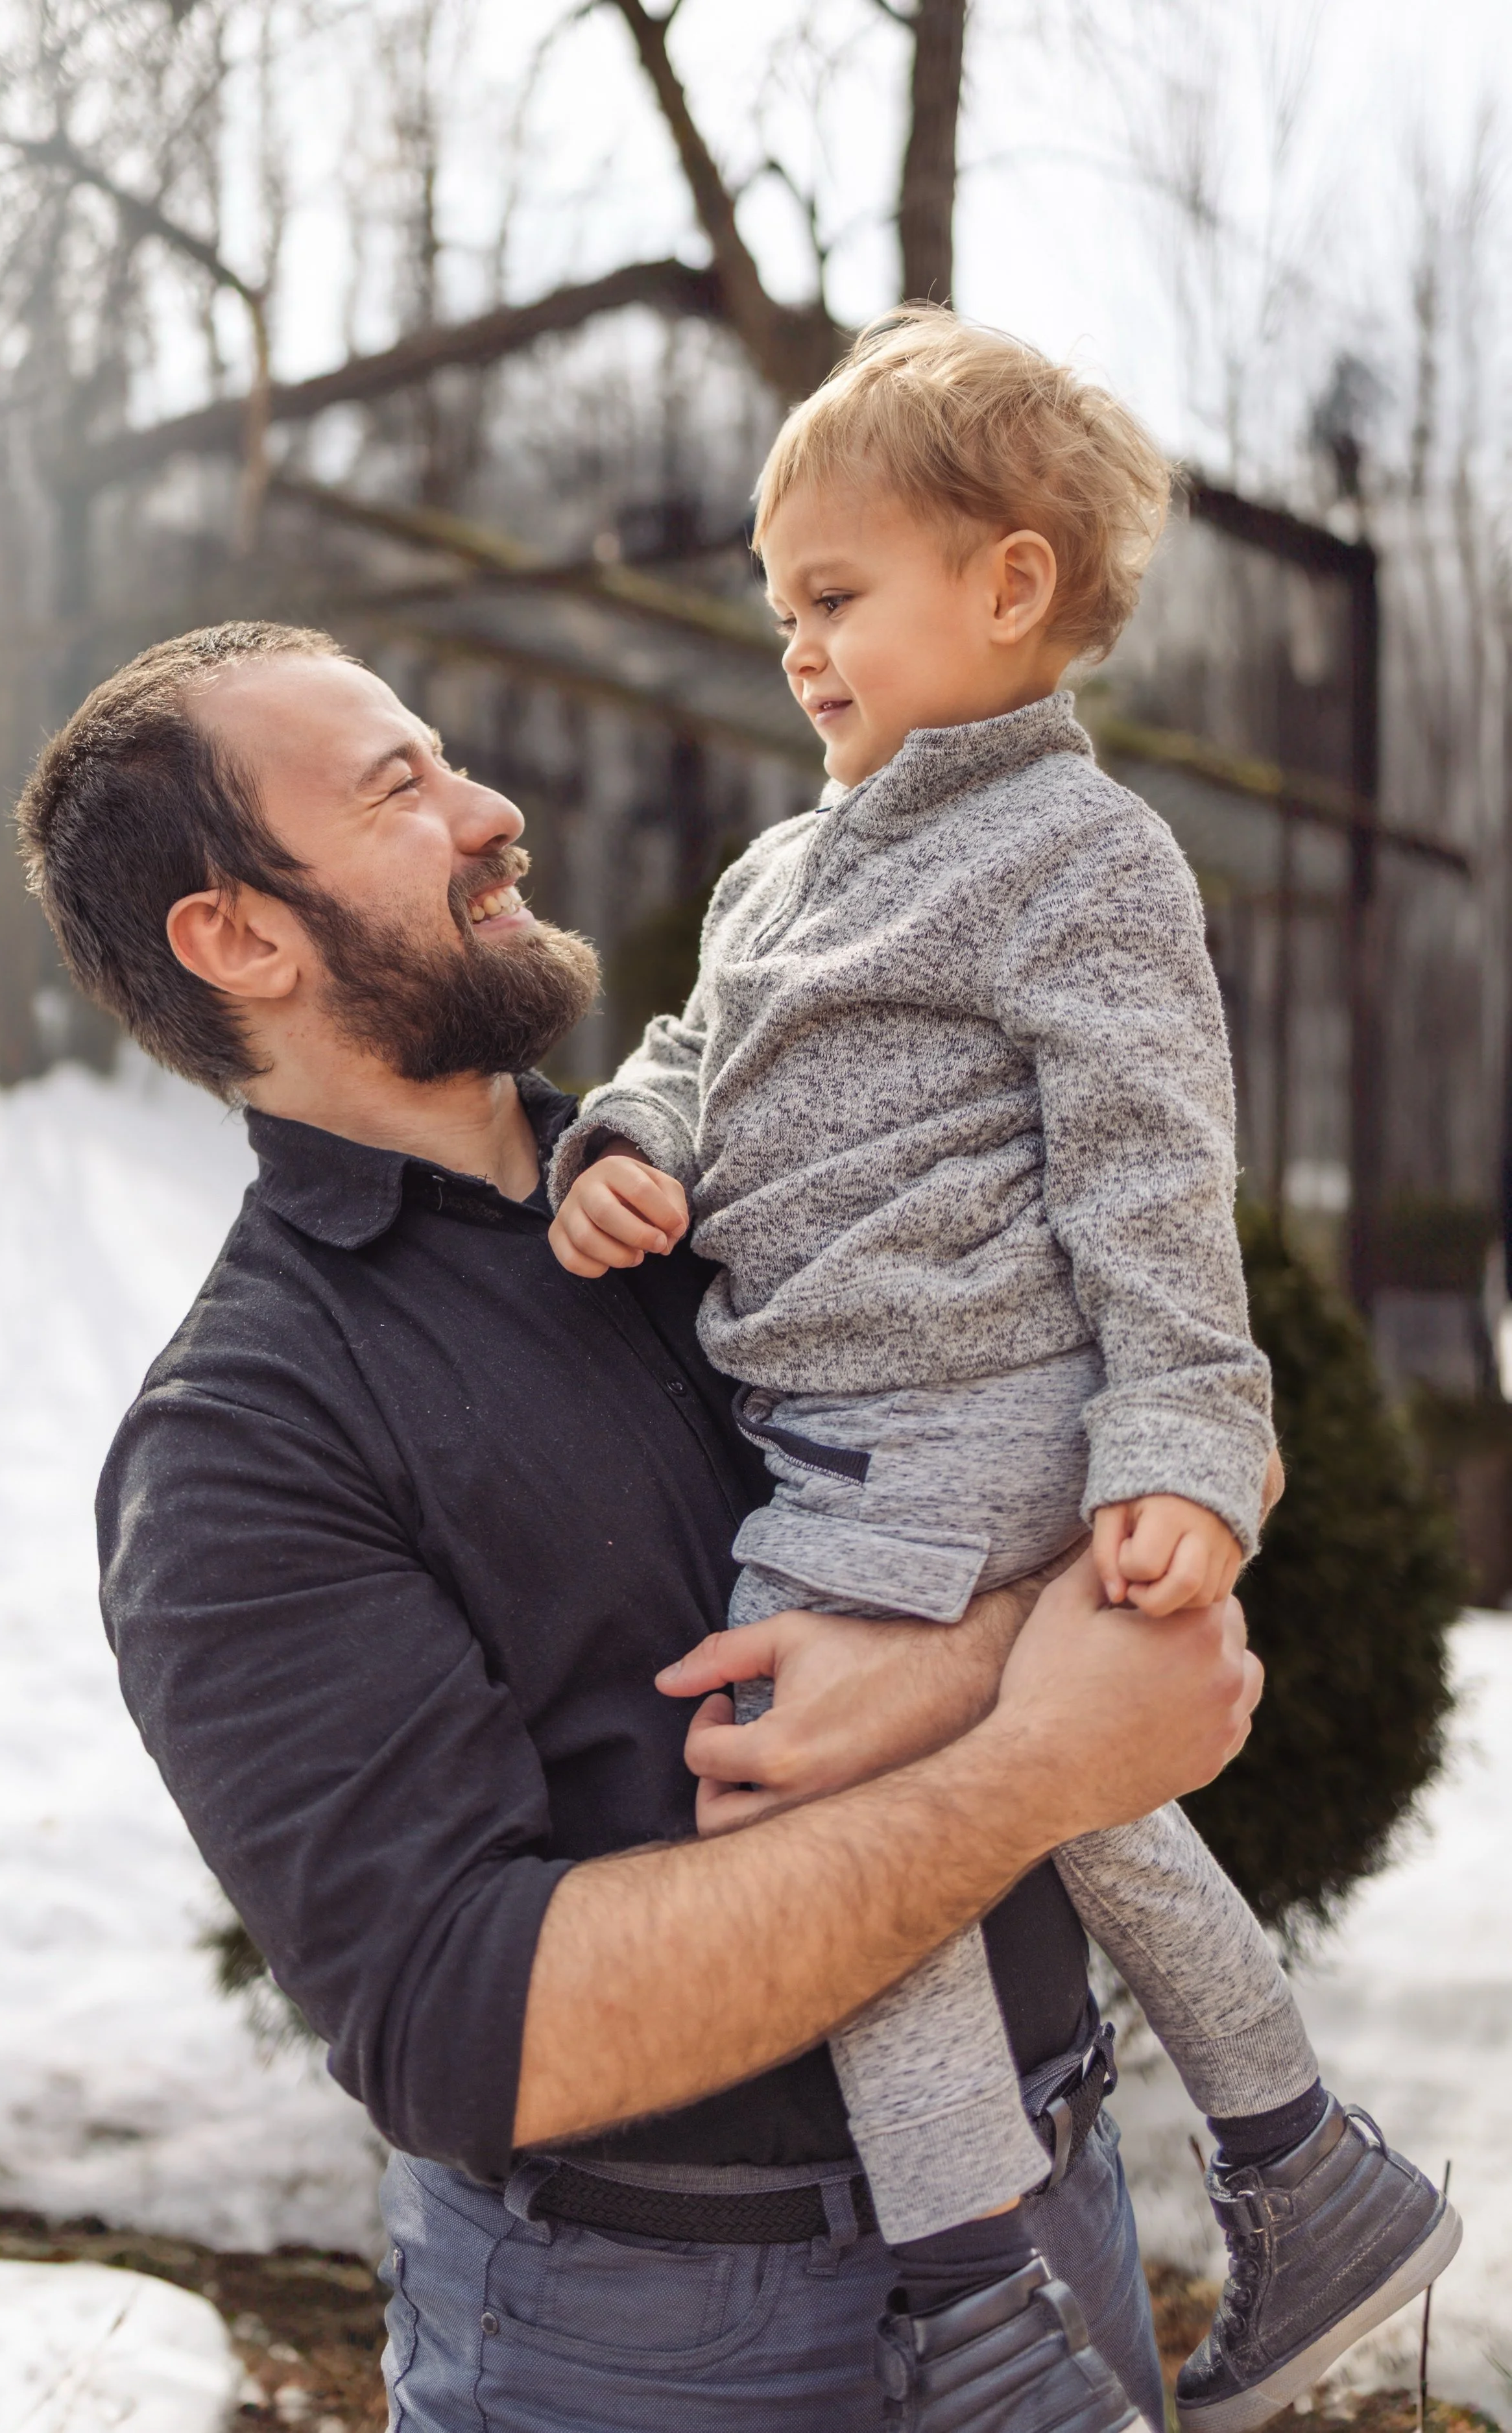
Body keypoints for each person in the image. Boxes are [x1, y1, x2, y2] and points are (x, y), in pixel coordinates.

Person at [15, 620, 1267, 2433]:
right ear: (239, 936)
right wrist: (1029, 1757)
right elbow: (468, 2021)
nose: (493, 810)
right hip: (654, 2342)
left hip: (1048, 2206)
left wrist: (988, 1656)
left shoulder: (744, 1176)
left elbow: (1148, 1418)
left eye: (448, 757)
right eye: (401, 789)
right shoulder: (241, 1441)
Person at [548, 309, 1459, 2433]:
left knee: (811, 1790)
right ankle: (1301, 2166)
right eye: (783, 608)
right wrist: (626, 1141)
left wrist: (1184, 1442)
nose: (799, 646)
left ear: (1010, 586)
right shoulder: (793, 859)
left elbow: (1153, 1169)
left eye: (836, 598)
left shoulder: (1075, 854)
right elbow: (694, 1047)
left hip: (958, 1427)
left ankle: (978, 2315)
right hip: (840, 1432)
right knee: (1066, 1803)